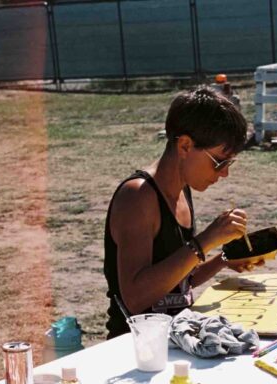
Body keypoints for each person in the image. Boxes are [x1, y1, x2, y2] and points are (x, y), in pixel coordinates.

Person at [104, 86, 262, 338]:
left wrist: (222, 260)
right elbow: (135, 297)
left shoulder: (181, 190)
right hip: (135, 350)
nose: (225, 173)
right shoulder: (138, 197)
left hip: (175, 339)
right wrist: (205, 240)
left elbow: (177, 282)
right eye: (220, 162)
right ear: (186, 146)